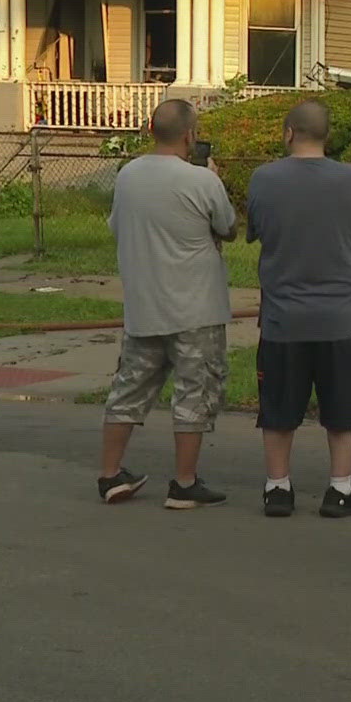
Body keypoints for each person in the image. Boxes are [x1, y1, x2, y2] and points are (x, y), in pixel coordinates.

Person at [98, 98, 236, 509]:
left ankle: (110, 475)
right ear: (191, 135)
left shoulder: (128, 176)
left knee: (129, 389)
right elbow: (227, 228)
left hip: (144, 304)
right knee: (195, 392)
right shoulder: (202, 181)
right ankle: (184, 482)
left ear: (149, 129)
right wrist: (213, 179)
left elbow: (117, 227)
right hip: (196, 307)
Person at [246, 99, 351, 520]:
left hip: (283, 318)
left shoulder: (263, 179)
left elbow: (257, 231)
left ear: (288, 133)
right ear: (328, 136)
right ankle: (340, 488)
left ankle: (277, 487)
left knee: (279, 406)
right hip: (340, 318)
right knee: (343, 407)